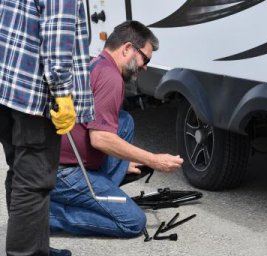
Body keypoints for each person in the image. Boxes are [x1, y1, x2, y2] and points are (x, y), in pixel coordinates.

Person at [49, 20, 184, 238]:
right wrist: (154, 160)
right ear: (128, 48)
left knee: (124, 121)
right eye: (145, 58)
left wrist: (123, 160)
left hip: (60, 162)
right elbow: (100, 139)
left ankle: (101, 195)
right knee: (132, 221)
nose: (145, 66)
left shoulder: (96, 63)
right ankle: (48, 215)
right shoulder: (111, 78)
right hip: (64, 174)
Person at [0, 0, 94, 256]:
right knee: (34, 179)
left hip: (8, 85)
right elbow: (56, 35)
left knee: (20, 171)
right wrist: (61, 92)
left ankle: (33, 247)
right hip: (33, 92)